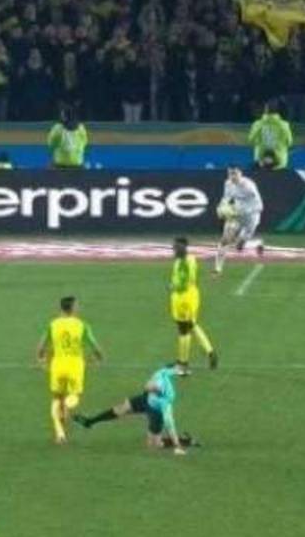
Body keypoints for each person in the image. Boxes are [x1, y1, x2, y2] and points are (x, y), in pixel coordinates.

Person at [74, 364, 194, 455]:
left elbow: (170, 425)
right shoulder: (159, 374)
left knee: (153, 445)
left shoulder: (166, 401)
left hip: (155, 411)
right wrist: (183, 371)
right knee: (121, 408)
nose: (148, 386)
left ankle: (184, 441)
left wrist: (177, 446)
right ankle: (90, 422)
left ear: (157, 391)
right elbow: (170, 369)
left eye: (151, 387)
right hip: (145, 400)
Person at [35, 296, 105, 444]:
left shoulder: (53, 324)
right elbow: (95, 345)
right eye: (77, 305)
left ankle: (59, 433)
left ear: (61, 308)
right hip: (75, 365)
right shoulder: (82, 325)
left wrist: (41, 359)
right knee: (74, 396)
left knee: (56, 398)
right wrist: (99, 357)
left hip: (58, 365)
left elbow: (41, 346)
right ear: (73, 308)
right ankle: (67, 405)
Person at [170, 237, 218, 373]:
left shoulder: (184, 263)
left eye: (176, 247)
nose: (174, 250)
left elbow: (184, 282)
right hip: (187, 297)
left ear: (183, 248)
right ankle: (209, 352)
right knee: (191, 325)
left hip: (184, 299)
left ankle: (183, 364)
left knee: (183, 329)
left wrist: (173, 286)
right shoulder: (188, 259)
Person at [214, 166, 264, 275]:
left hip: (251, 217)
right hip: (236, 216)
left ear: (240, 173)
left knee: (239, 247)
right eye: (230, 173)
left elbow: (260, 206)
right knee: (225, 240)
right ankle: (217, 269)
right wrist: (221, 208)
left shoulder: (249, 186)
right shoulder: (228, 184)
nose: (232, 176)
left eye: (234, 173)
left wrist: (244, 211)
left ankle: (257, 243)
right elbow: (226, 198)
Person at [248, 99, 293, 170]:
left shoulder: (257, 124)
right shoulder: (284, 125)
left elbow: (251, 140)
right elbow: (289, 142)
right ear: (278, 111)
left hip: (261, 161)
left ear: (265, 110)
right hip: (280, 162)